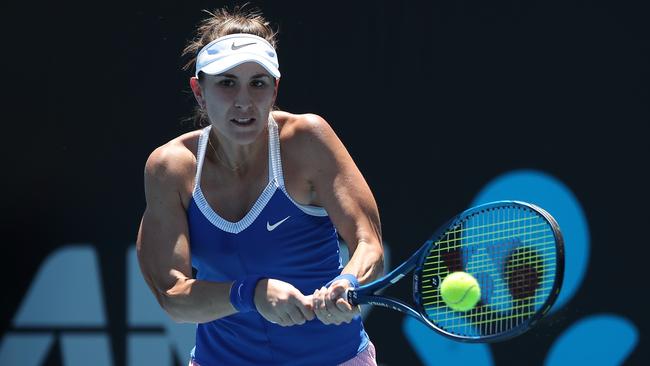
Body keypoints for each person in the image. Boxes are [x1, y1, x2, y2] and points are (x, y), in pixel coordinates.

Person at [136, 6, 383, 365]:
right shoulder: (171, 168)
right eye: (226, 83)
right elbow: (173, 295)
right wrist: (251, 294)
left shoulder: (308, 140)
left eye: (258, 83)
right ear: (199, 91)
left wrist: (347, 282)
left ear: (274, 88)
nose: (244, 101)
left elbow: (368, 241)